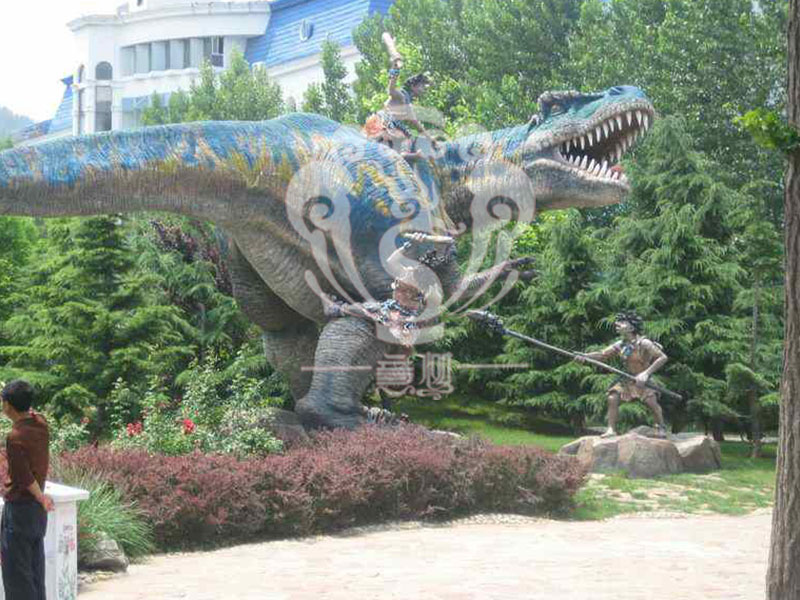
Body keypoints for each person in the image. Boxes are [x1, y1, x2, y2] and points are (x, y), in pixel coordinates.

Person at [575, 312, 668, 438]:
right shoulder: (620, 344)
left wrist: (646, 374)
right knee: (613, 397)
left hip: (643, 380)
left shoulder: (644, 343)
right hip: (627, 378)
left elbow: (662, 358)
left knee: (651, 402)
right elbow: (602, 354)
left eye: (622, 323)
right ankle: (611, 429)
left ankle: (660, 426)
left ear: (631, 327)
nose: (617, 324)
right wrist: (585, 357)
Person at [1, 380, 53, 600]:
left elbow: (24, 478)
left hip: (20, 511)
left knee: (17, 578)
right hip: (36, 515)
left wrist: (41, 497)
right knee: (35, 574)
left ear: (7, 405)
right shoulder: (41, 424)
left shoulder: (15, 437)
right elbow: (32, 411)